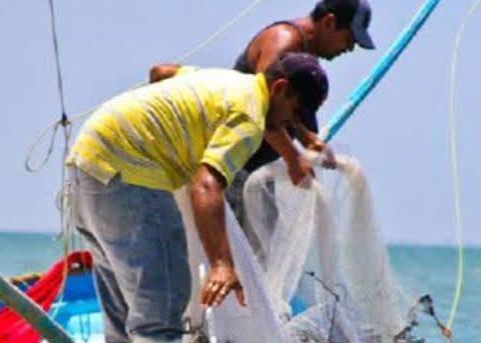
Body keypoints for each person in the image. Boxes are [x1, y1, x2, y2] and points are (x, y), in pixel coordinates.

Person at [67, 54, 329, 343]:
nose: (290, 125)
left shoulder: (224, 82)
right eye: (293, 113)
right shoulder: (249, 119)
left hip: (88, 159)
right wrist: (222, 264)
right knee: (165, 297)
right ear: (280, 88)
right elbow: (206, 184)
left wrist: (158, 123)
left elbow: (161, 71)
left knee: (121, 292)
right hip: (130, 173)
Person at [151, 0, 375, 224]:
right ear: (329, 22)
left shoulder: (305, 55)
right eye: (349, 39)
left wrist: (307, 139)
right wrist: (293, 159)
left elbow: (284, 111)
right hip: (230, 162)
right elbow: (263, 107)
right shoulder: (284, 42)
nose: (349, 49)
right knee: (237, 248)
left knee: (262, 247)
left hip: (254, 170)